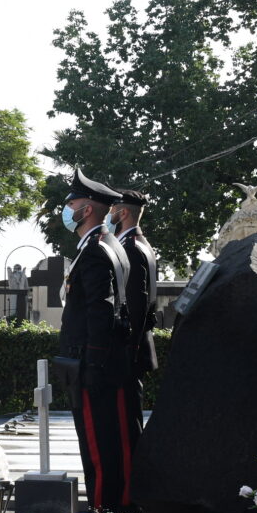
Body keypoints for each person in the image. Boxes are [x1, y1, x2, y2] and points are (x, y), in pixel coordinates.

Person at [57, 169, 134, 513]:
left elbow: (100, 312)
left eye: (71, 203)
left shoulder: (95, 252)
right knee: (108, 443)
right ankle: (116, 508)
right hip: (104, 363)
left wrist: (93, 364)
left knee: (97, 446)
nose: (67, 209)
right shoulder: (110, 244)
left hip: (92, 366)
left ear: (86, 209)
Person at [110, 189, 157, 484]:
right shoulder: (141, 243)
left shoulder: (129, 248)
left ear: (123, 213)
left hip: (129, 351)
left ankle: (130, 490)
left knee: (125, 427)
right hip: (137, 348)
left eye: (113, 208)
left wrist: (127, 347)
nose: (110, 213)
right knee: (129, 422)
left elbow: (136, 306)